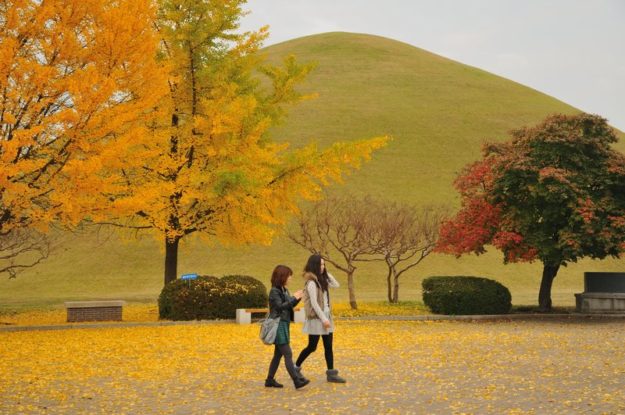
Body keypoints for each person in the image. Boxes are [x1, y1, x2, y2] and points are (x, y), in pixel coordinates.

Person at [295, 254, 347, 383]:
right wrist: (324, 319)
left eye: (324, 264)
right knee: (312, 346)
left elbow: (336, 285)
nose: (323, 267)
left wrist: (326, 274)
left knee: (328, 346)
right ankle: (295, 368)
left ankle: (331, 374)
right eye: (320, 265)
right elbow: (314, 303)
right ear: (314, 266)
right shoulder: (312, 283)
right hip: (317, 319)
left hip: (326, 316)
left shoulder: (323, 280)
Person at [265, 264, 310, 389]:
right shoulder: (275, 291)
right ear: (282, 276)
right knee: (288, 354)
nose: (290, 278)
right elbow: (279, 307)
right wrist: (293, 298)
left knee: (278, 354)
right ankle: (297, 381)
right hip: (278, 325)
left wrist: (297, 298)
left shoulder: (283, 290)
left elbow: (288, 305)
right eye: (289, 276)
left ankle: (269, 380)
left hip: (283, 324)